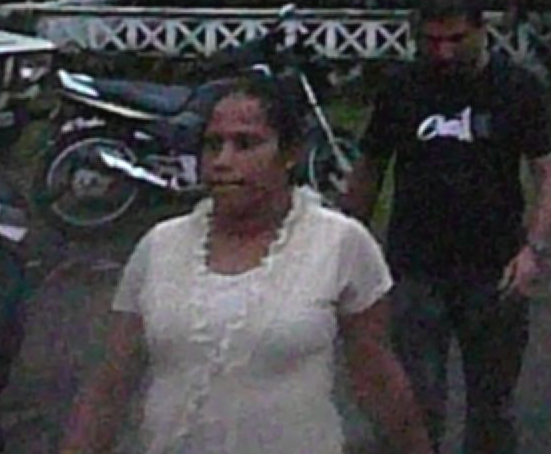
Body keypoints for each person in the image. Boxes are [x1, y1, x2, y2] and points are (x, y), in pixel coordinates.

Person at [59, 78, 433, 454]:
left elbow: (380, 381)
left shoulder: (340, 244)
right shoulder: (161, 247)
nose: (223, 161)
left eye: (246, 144)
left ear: (290, 154)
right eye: (212, 144)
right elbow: (110, 386)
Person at [343, 0, 551, 454]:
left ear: (482, 31)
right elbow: (369, 170)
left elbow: (548, 171)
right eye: (432, 41)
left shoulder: (517, 88)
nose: (443, 53)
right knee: (416, 406)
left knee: (492, 407)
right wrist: (347, 247)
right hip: (415, 270)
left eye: (455, 40)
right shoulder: (402, 89)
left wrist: (534, 249)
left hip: (494, 271)